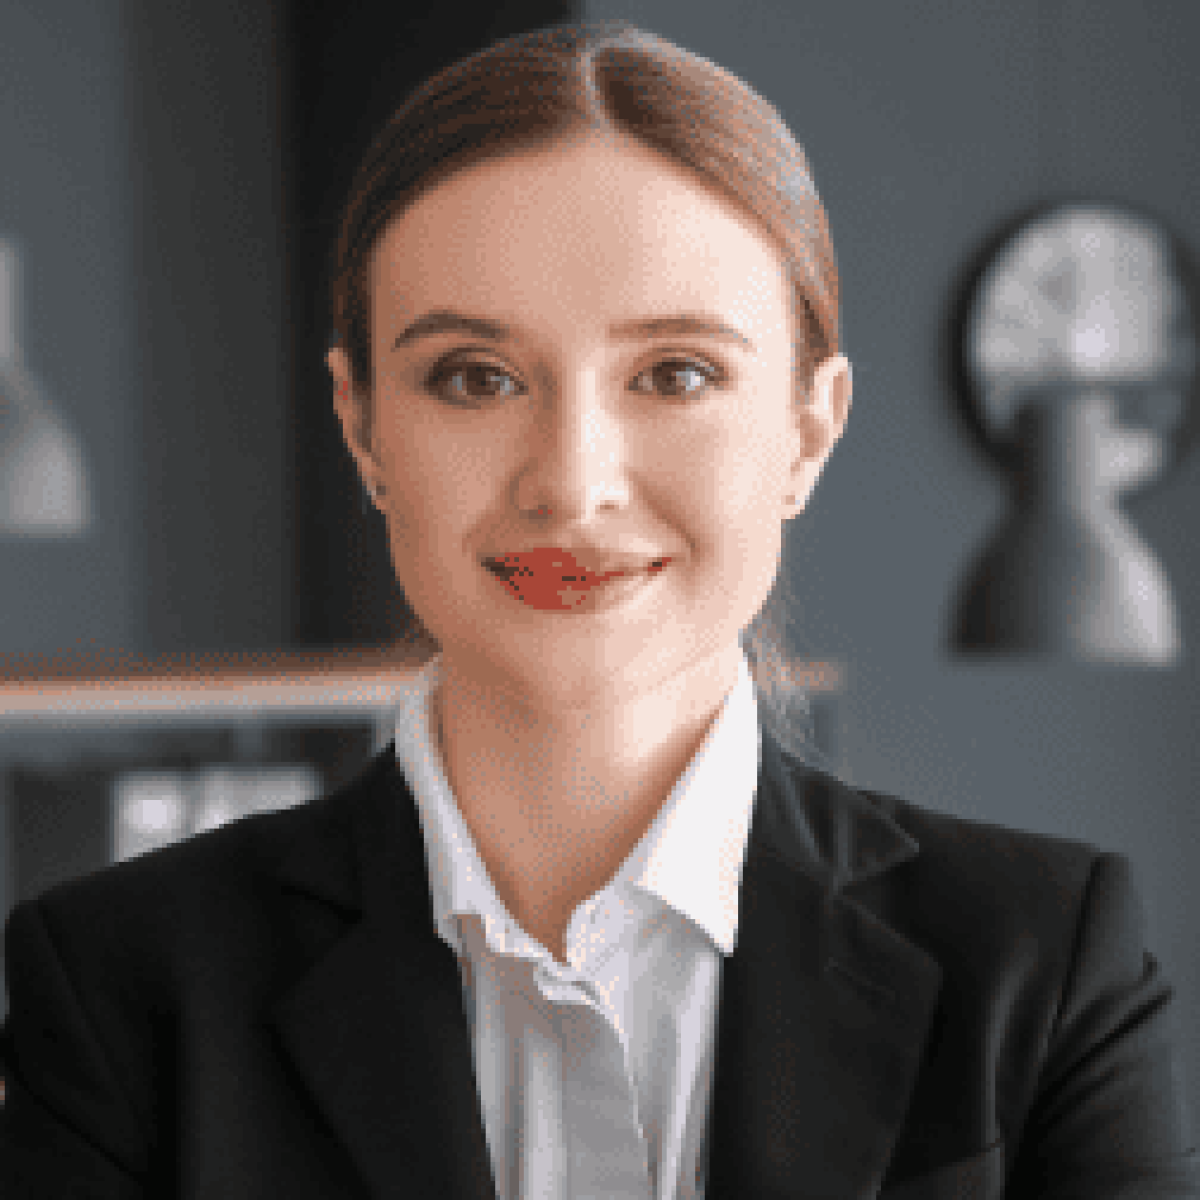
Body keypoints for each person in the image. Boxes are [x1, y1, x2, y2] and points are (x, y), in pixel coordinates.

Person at [1, 19, 1196, 1200]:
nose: (571, 482)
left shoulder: (1042, 970)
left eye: (675, 374)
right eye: (476, 377)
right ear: (364, 425)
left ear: (808, 428)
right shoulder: (120, 987)